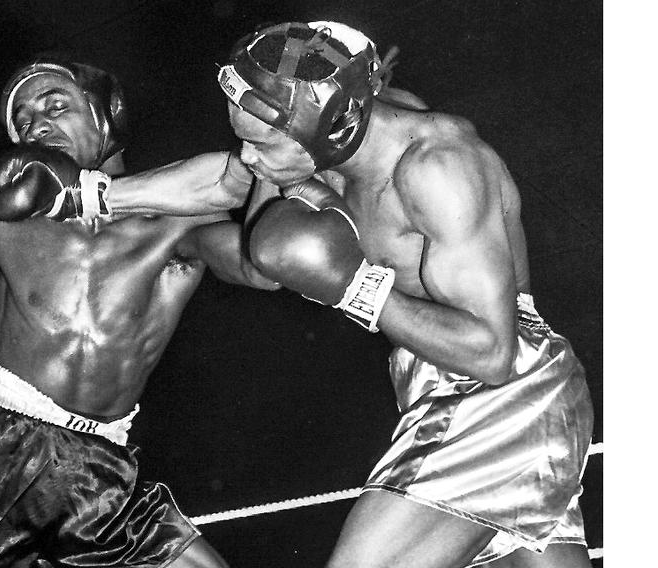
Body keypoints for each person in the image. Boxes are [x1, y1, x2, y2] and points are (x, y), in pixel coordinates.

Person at [0, 53, 278, 568]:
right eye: (23, 121)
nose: (37, 125)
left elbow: (259, 258)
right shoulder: (6, 222)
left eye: (55, 105)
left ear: (104, 114)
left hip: (103, 472)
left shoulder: (173, 226)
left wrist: (272, 135)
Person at [212, 20, 594, 568]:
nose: (248, 159)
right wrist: (168, 229)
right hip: (441, 383)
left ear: (331, 128)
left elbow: (492, 354)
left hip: (500, 387)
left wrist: (358, 290)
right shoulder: (335, 137)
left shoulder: (437, 167)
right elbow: (263, 260)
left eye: (261, 143)